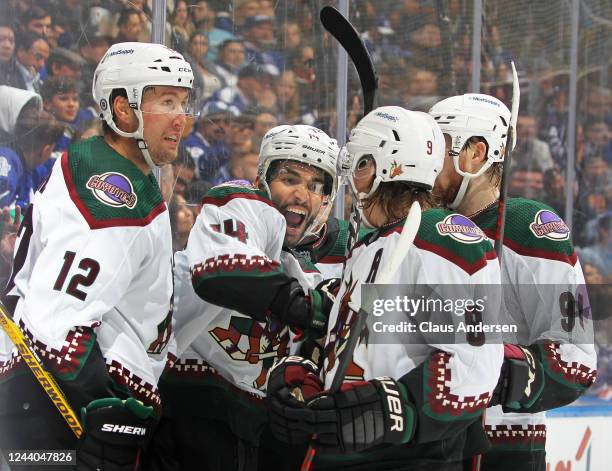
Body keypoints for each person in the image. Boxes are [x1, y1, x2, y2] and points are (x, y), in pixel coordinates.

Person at [267, 107, 504, 471]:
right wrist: (308, 376)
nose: (351, 177)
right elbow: (368, 347)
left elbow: (476, 361)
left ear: (388, 166)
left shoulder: (441, 235)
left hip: (411, 457)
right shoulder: (369, 244)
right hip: (348, 453)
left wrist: (393, 408)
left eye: (361, 164)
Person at [0, 42, 194, 470]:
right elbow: (59, 331)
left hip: (44, 397)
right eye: (166, 101)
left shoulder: (98, 163)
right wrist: (108, 418)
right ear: (123, 110)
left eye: (183, 101)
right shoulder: (114, 194)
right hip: (56, 405)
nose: (182, 117)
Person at [149, 124, 342, 471]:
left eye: (315, 186)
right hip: (191, 410)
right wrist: (310, 309)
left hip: (260, 426)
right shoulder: (241, 204)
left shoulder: (318, 259)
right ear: (263, 179)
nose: (302, 194)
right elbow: (223, 272)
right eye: (291, 179)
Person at [428, 93, 598, 470]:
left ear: (475, 153)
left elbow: (575, 360)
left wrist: (484, 370)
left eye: (436, 149)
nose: (423, 164)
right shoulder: (424, 228)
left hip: (502, 451)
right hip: (424, 446)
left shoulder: (529, 228)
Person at [0, 86, 64, 209]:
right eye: (26, 113)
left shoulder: (23, 162)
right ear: (46, 150)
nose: (32, 116)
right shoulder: (7, 161)